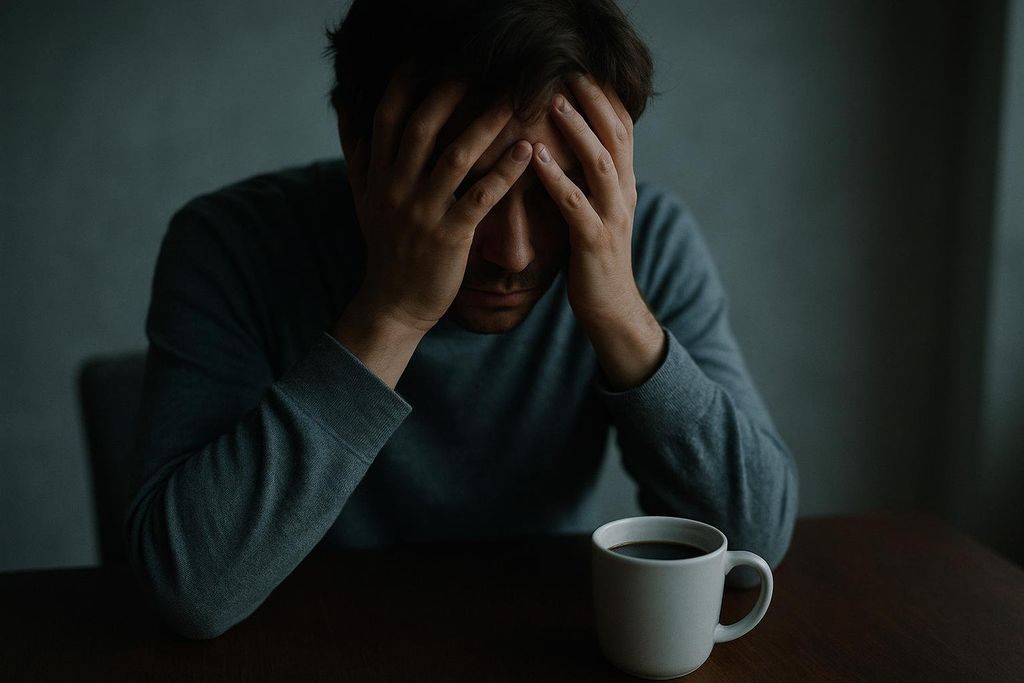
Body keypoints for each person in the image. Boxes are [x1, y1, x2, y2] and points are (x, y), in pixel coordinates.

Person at [124, 0, 799, 640]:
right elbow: (192, 590)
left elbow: (753, 544)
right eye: (466, 185)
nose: (515, 253)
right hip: (299, 647)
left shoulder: (639, 241)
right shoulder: (232, 245)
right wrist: (392, 311)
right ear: (359, 147)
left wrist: (622, 317)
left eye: (556, 192)